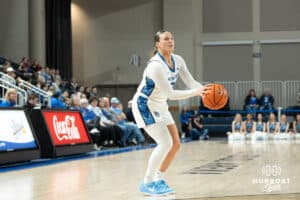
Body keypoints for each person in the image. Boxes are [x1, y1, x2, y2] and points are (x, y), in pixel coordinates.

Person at [131, 30, 210, 196]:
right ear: (157, 44)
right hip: (145, 104)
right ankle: (147, 182)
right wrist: (195, 93)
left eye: (172, 38)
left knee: (175, 143)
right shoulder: (155, 66)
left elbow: (190, 81)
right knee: (164, 143)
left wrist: (203, 89)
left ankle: (159, 178)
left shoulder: (178, 60)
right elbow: (170, 94)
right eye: (166, 39)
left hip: (160, 105)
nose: (171, 41)